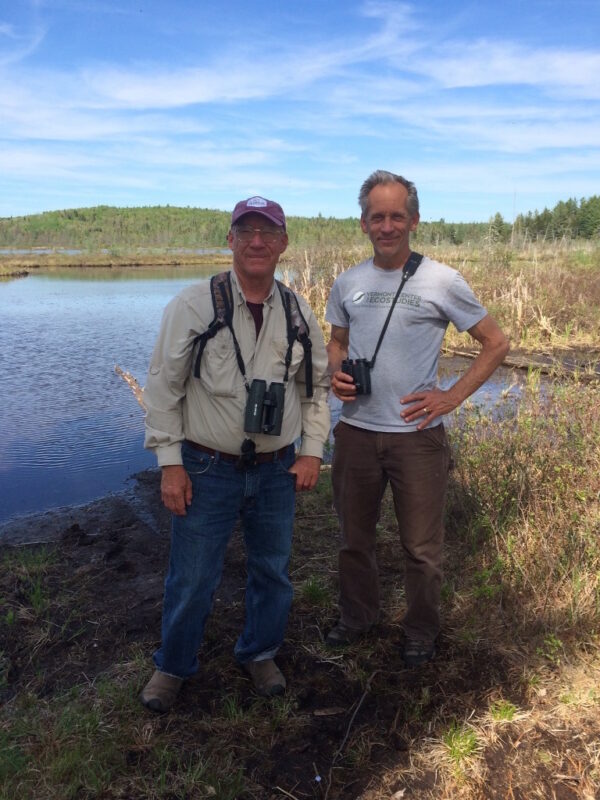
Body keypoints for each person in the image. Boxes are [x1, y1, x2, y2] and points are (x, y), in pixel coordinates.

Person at [140, 196, 330, 712]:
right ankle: (173, 667)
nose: (257, 241)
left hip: (276, 471)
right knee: (193, 576)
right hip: (205, 468)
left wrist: (312, 451)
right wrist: (170, 464)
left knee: (272, 570)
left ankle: (260, 652)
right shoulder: (192, 306)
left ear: (284, 243)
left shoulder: (297, 311)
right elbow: (162, 390)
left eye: (268, 232)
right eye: (245, 231)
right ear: (230, 240)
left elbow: (315, 391)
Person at [325, 170, 509, 666]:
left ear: (414, 220)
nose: (388, 226)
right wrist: (337, 373)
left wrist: (451, 397)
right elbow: (338, 343)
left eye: (397, 216)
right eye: (377, 216)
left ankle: (421, 631)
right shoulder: (348, 282)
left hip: (417, 437)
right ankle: (357, 618)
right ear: (363, 223)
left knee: (422, 549)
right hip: (357, 432)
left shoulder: (442, 280)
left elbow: (496, 343)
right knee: (352, 540)